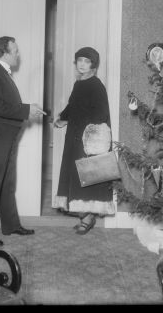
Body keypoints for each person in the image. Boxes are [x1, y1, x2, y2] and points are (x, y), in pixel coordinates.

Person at [0, 36, 46, 247]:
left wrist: (28, 108)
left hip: (4, 139)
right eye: (15, 51)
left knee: (7, 184)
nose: (18, 55)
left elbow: (5, 104)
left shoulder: (1, 73)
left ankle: (11, 225)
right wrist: (26, 110)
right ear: (4, 53)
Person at [53, 47, 115, 234]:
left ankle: (88, 217)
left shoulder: (96, 85)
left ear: (93, 65)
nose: (82, 64)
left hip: (87, 139)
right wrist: (61, 118)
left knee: (86, 176)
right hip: (74, 136)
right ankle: (84, 215)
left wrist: (85, 129)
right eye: (79, 60)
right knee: (75, 176)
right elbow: (72, 106)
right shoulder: (79, 84)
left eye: (86, 61)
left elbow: (102, 114)